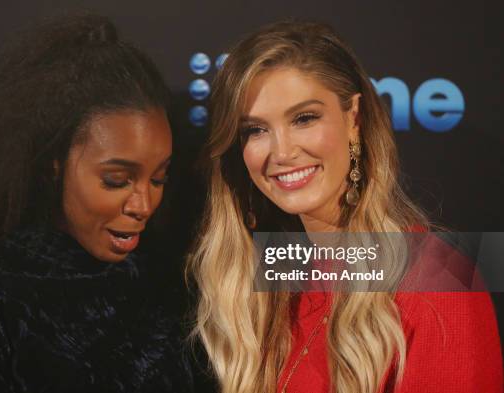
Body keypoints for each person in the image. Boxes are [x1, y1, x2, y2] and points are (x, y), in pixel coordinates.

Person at [187, 20, 503, 393]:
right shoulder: (274, 274)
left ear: (354, 118)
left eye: (304, 118)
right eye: (255, 130)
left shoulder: (439, 283)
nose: (282, 152)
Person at [0, 13, 193, 392]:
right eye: (116, 180)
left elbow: (287, 269)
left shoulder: (169, 275)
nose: (143, 204)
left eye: (158, 178)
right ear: (52, 167)